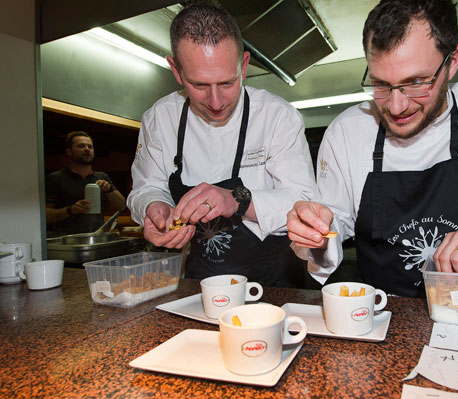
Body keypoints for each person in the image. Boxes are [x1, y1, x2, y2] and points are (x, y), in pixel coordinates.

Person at [287, 0, 458, 297]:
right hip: (381, 313)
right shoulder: (347, 131)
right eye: (381, 84)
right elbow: (337, 221)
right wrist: (316, 229)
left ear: (453, 61)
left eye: (416, 82)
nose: (396, 106)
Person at [127, 1, 316, 287]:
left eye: (227, 83)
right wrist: (154, 207)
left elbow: (305, 202)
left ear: (244, 65)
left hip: (273, 284)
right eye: (199, 85)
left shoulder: (277, 116)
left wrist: (237, 200)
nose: (216, 102)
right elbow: (146, 187)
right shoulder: (159, 118)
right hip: (198, 284)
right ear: (176, 71)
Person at [46, 131, 127, 237]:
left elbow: (122, 206)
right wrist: (71, 210)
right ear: (69, 151)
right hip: (67, 242)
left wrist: (109, 190)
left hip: (96, 238)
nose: (87, 149)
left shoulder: (102, 177)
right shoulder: (56, 178)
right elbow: (44, 216)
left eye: (90, 147)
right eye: (81, 146)